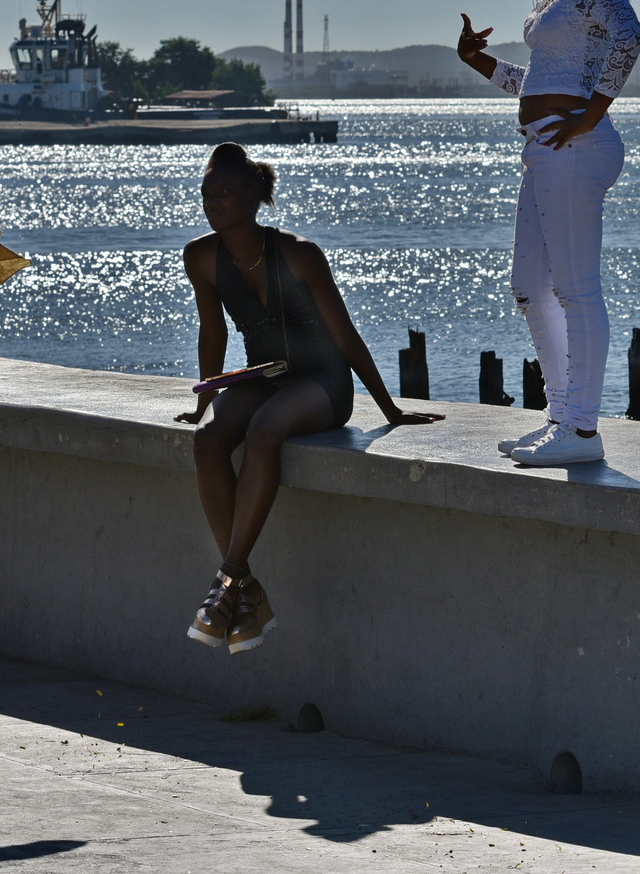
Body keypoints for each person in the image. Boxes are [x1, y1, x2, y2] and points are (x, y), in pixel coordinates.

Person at [175, 143, 442, 653]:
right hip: (261, 376)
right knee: (209, 442)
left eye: (227, 193)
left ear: (255, 195)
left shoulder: (299, 254)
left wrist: (389, 410)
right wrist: (205, 401)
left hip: (321, 382)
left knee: (266, 432)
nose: (215, 203)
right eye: (208, 195)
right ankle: (243, 589)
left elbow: (345, 337)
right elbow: (214, 334)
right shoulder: (201, 257)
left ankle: (226, 581)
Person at [457, 0, 640, 466]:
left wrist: (593, 114)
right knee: (529, 288)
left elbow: (630, 39)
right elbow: (537, 83)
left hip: (574, 148)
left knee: (575, 290)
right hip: (546, 146)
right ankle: (561, 418)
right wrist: (480, 63)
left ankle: (580, 430)